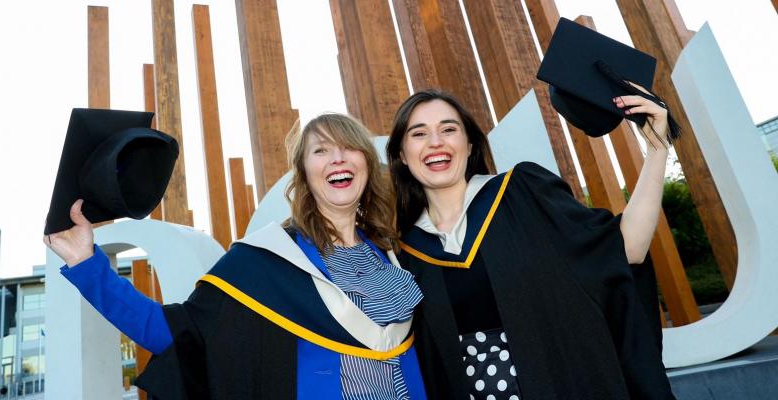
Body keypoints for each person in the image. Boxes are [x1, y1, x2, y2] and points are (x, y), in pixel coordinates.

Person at [45, 113, 427, 399]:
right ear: (304, 173)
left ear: (365, 163)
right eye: (321, 150)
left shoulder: (392, 252)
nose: (338, 158)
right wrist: (88, 265)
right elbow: (173, 333)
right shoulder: (268, 259)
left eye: (349, 148)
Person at [386, 89, 675, 399]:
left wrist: (657, 147)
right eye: (419, 133)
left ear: (469, 145)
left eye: (448, 129)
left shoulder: (523, 195)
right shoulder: (403, 251)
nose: (435, 142)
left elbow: (628, 247)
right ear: (402, 154)